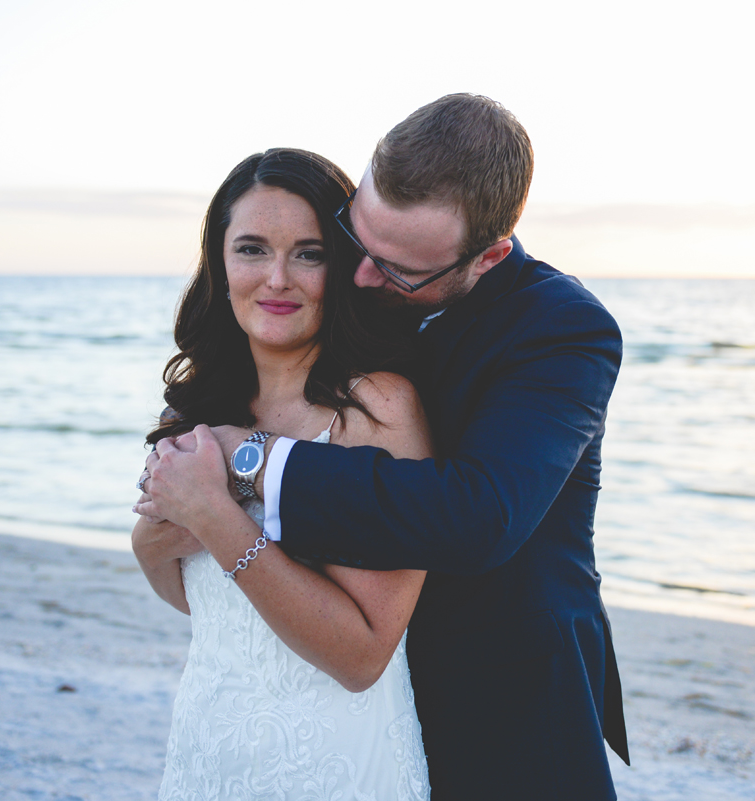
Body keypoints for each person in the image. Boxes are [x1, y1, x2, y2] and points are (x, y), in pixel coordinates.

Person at [140, 94, 630, 799]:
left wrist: (247, 467)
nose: (361, 278)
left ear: (487, 255)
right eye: (354, 240)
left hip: (499, 693)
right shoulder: (343, 300)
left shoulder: (560, 330)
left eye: (397, 267)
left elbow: (478, 518)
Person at [132, 148, 433, 800]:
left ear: (347, 263)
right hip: (205, 752)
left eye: (308, 252)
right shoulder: (197, 405)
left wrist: (214, 512)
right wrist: (168, 524)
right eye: (251, 249)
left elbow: (361, 655)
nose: (276, 278)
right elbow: (182, 589)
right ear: (220, 261)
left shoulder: (376, 409)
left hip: (333, 763)